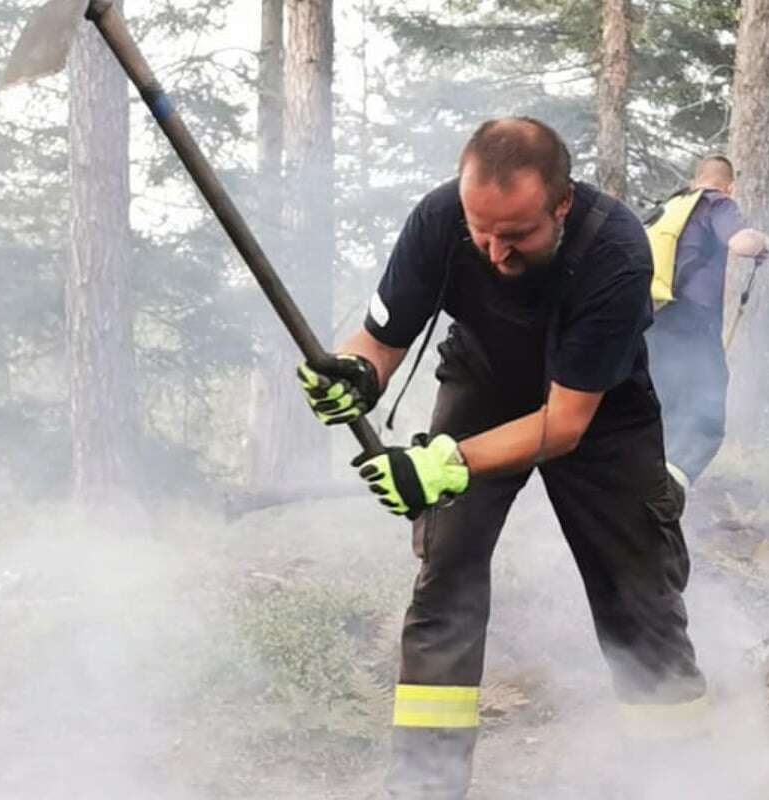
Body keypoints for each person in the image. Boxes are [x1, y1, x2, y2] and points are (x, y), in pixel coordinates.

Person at [295, 117, 707, 798]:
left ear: (562, 203)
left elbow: (565, 421)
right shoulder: (439, 219)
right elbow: (380, 339)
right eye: (481, 229)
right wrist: (355, 376)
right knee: (446, 574)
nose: (493, 251)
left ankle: (679, 777)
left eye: (516, 235)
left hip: (598, 410)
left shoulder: (618, 250)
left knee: (638, 592)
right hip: (483, 382)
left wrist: (444, 463)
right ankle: (425, 786)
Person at [644, 155, 769, 488]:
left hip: (653, 321)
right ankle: (669, 493)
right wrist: (762, 242)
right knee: (707, 414)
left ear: (696, 177)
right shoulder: (718, 203)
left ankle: (644, 486)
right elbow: (741, 243)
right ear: (730, 185)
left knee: (665, 407)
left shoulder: (671, 207)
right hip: (693, 322)